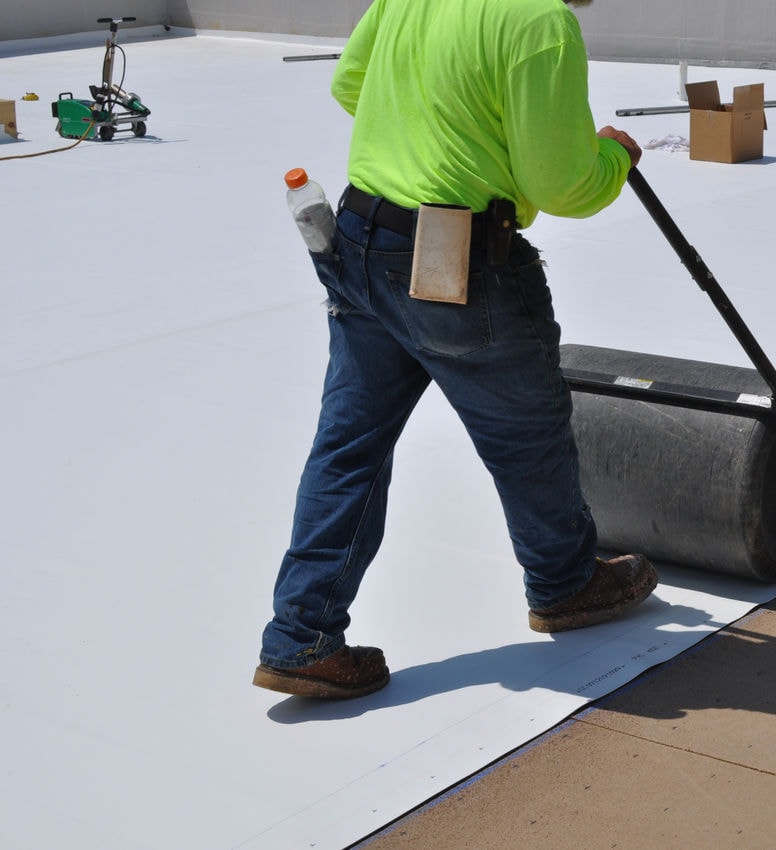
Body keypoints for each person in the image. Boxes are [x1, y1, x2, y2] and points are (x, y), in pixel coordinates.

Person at [253, 0, 657, 701]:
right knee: (527, 435)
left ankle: (301, 637)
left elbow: (352, 83)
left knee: (349, 445)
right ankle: (566, 585)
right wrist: (612, 157)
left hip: (359, 237)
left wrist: (440, 128)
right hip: (455, 258)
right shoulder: (539, 23)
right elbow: (560, 182)